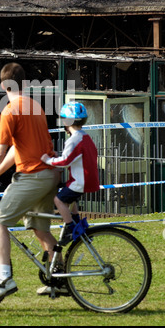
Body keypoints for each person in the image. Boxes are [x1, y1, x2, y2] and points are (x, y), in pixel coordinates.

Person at [0, 62, 60, 305]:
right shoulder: (34, 106)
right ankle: (58, 278)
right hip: (49, 175)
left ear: (2, 86)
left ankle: (5, 279)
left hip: (33, 176)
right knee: (41, 228)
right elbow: (17, 149)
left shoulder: (10, 110)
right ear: (25, 84)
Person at [41, 101, 100, 246]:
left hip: (80, 181)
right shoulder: (85, 137)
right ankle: (78, 223)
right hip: (86, 179)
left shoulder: (74, 140)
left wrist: (48, 160)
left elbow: (65, 161)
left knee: (58, 200)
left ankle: (70, 227)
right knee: (68, 199)